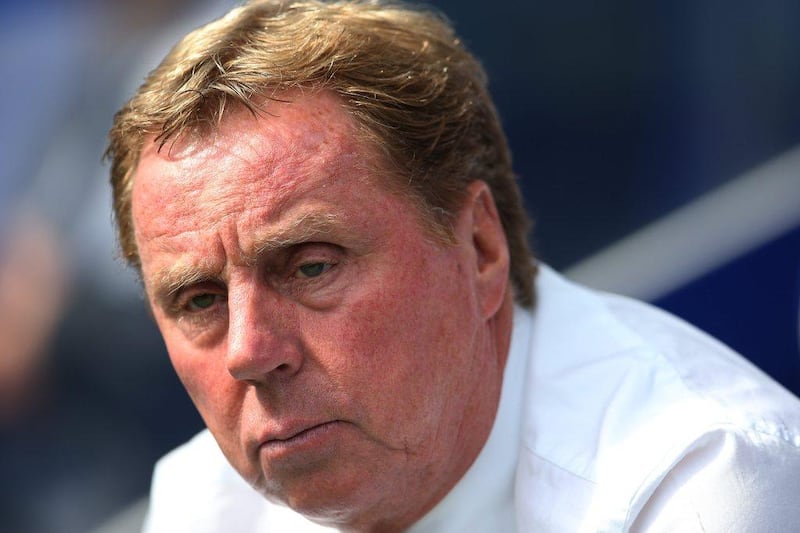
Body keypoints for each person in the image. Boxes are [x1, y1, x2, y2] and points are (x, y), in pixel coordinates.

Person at [106, 1, 800, 531]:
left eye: (312, 267)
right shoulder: (208, 503)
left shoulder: (701, 482)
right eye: (199, 300)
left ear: (480, 249)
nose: (250, 350)